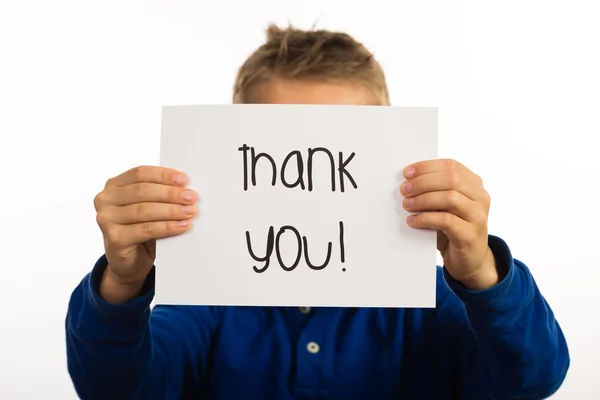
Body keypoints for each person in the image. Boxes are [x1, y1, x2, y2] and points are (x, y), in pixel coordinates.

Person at [65, 24, 569, 399]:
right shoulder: (208, 298)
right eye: (278, 145)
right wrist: (122, 282)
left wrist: (482, 272)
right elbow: (119, 390)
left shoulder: (428, 300)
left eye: (339, 148)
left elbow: (531, 379)